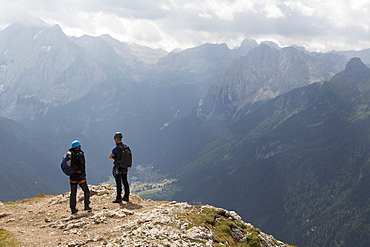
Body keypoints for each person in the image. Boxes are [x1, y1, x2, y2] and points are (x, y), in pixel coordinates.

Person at [68, 140, 91, 214]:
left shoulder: (70, 154)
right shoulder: (80, 154)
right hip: (80, 176)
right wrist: (83, 173)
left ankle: (73, 208)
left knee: (73, 192)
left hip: (72, 176)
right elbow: (82, 164)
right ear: (78, 146)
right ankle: (86, 205)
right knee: (86, 191)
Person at [109, 132, 130, 203]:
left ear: (115, 139)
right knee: (125, 181)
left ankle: (119, 198)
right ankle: (126, 197)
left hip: (118, 167)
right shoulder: (125, 147)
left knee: (118, 182)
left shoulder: (116, 148)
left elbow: (110, 156)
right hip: (125, 166)